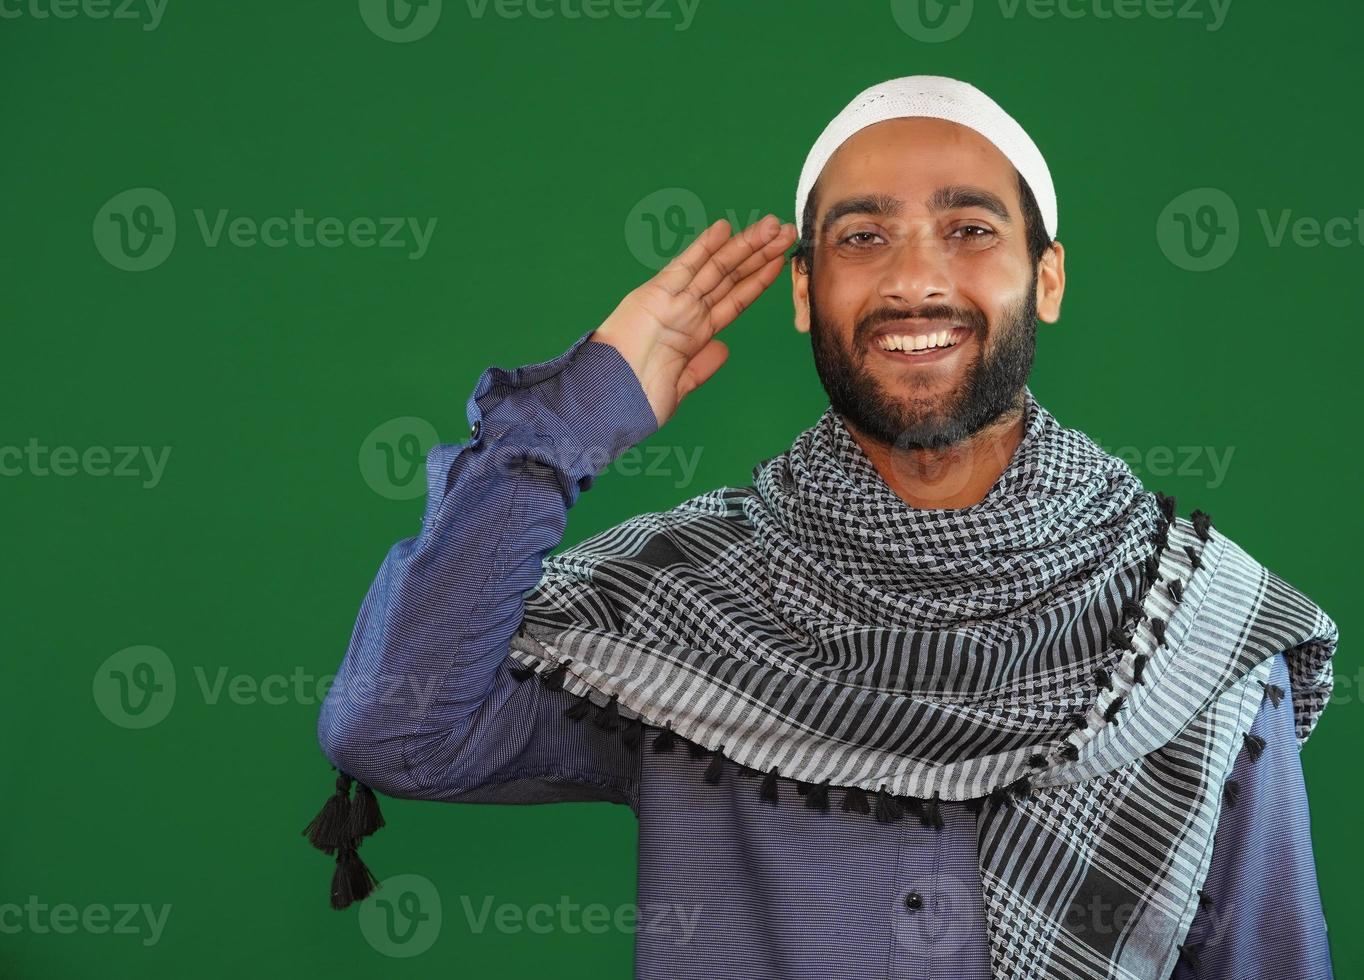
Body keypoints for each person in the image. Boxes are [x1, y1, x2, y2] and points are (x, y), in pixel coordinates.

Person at [305, 75, 1338, 979]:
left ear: (1048, 277)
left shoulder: (1190, 634)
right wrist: (573, 419)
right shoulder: (690, 605)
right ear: (806, 290)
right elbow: (396, 726)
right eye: (860, 236)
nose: (913, 279)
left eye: (969, 229)